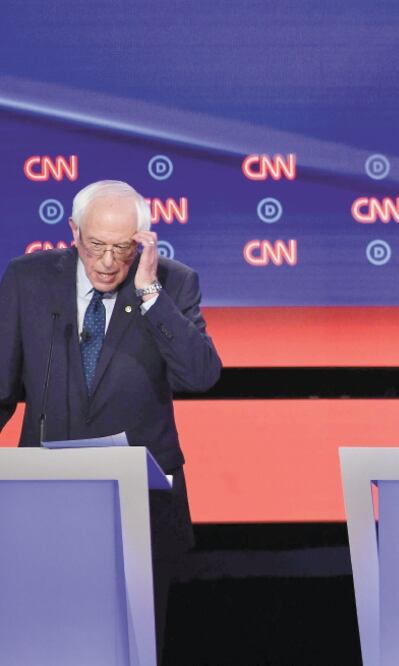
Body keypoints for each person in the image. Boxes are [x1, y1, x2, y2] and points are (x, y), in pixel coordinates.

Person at [0, 179, 222, 661]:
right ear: (73, 232)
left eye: (121, 248)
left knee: (132, 651)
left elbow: (200, 375)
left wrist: (149, 293)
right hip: (45, 502)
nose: (105, 261)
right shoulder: (28, 280)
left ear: (142, 242)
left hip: (140, 509)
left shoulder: (172, 283)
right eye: (95, 245)